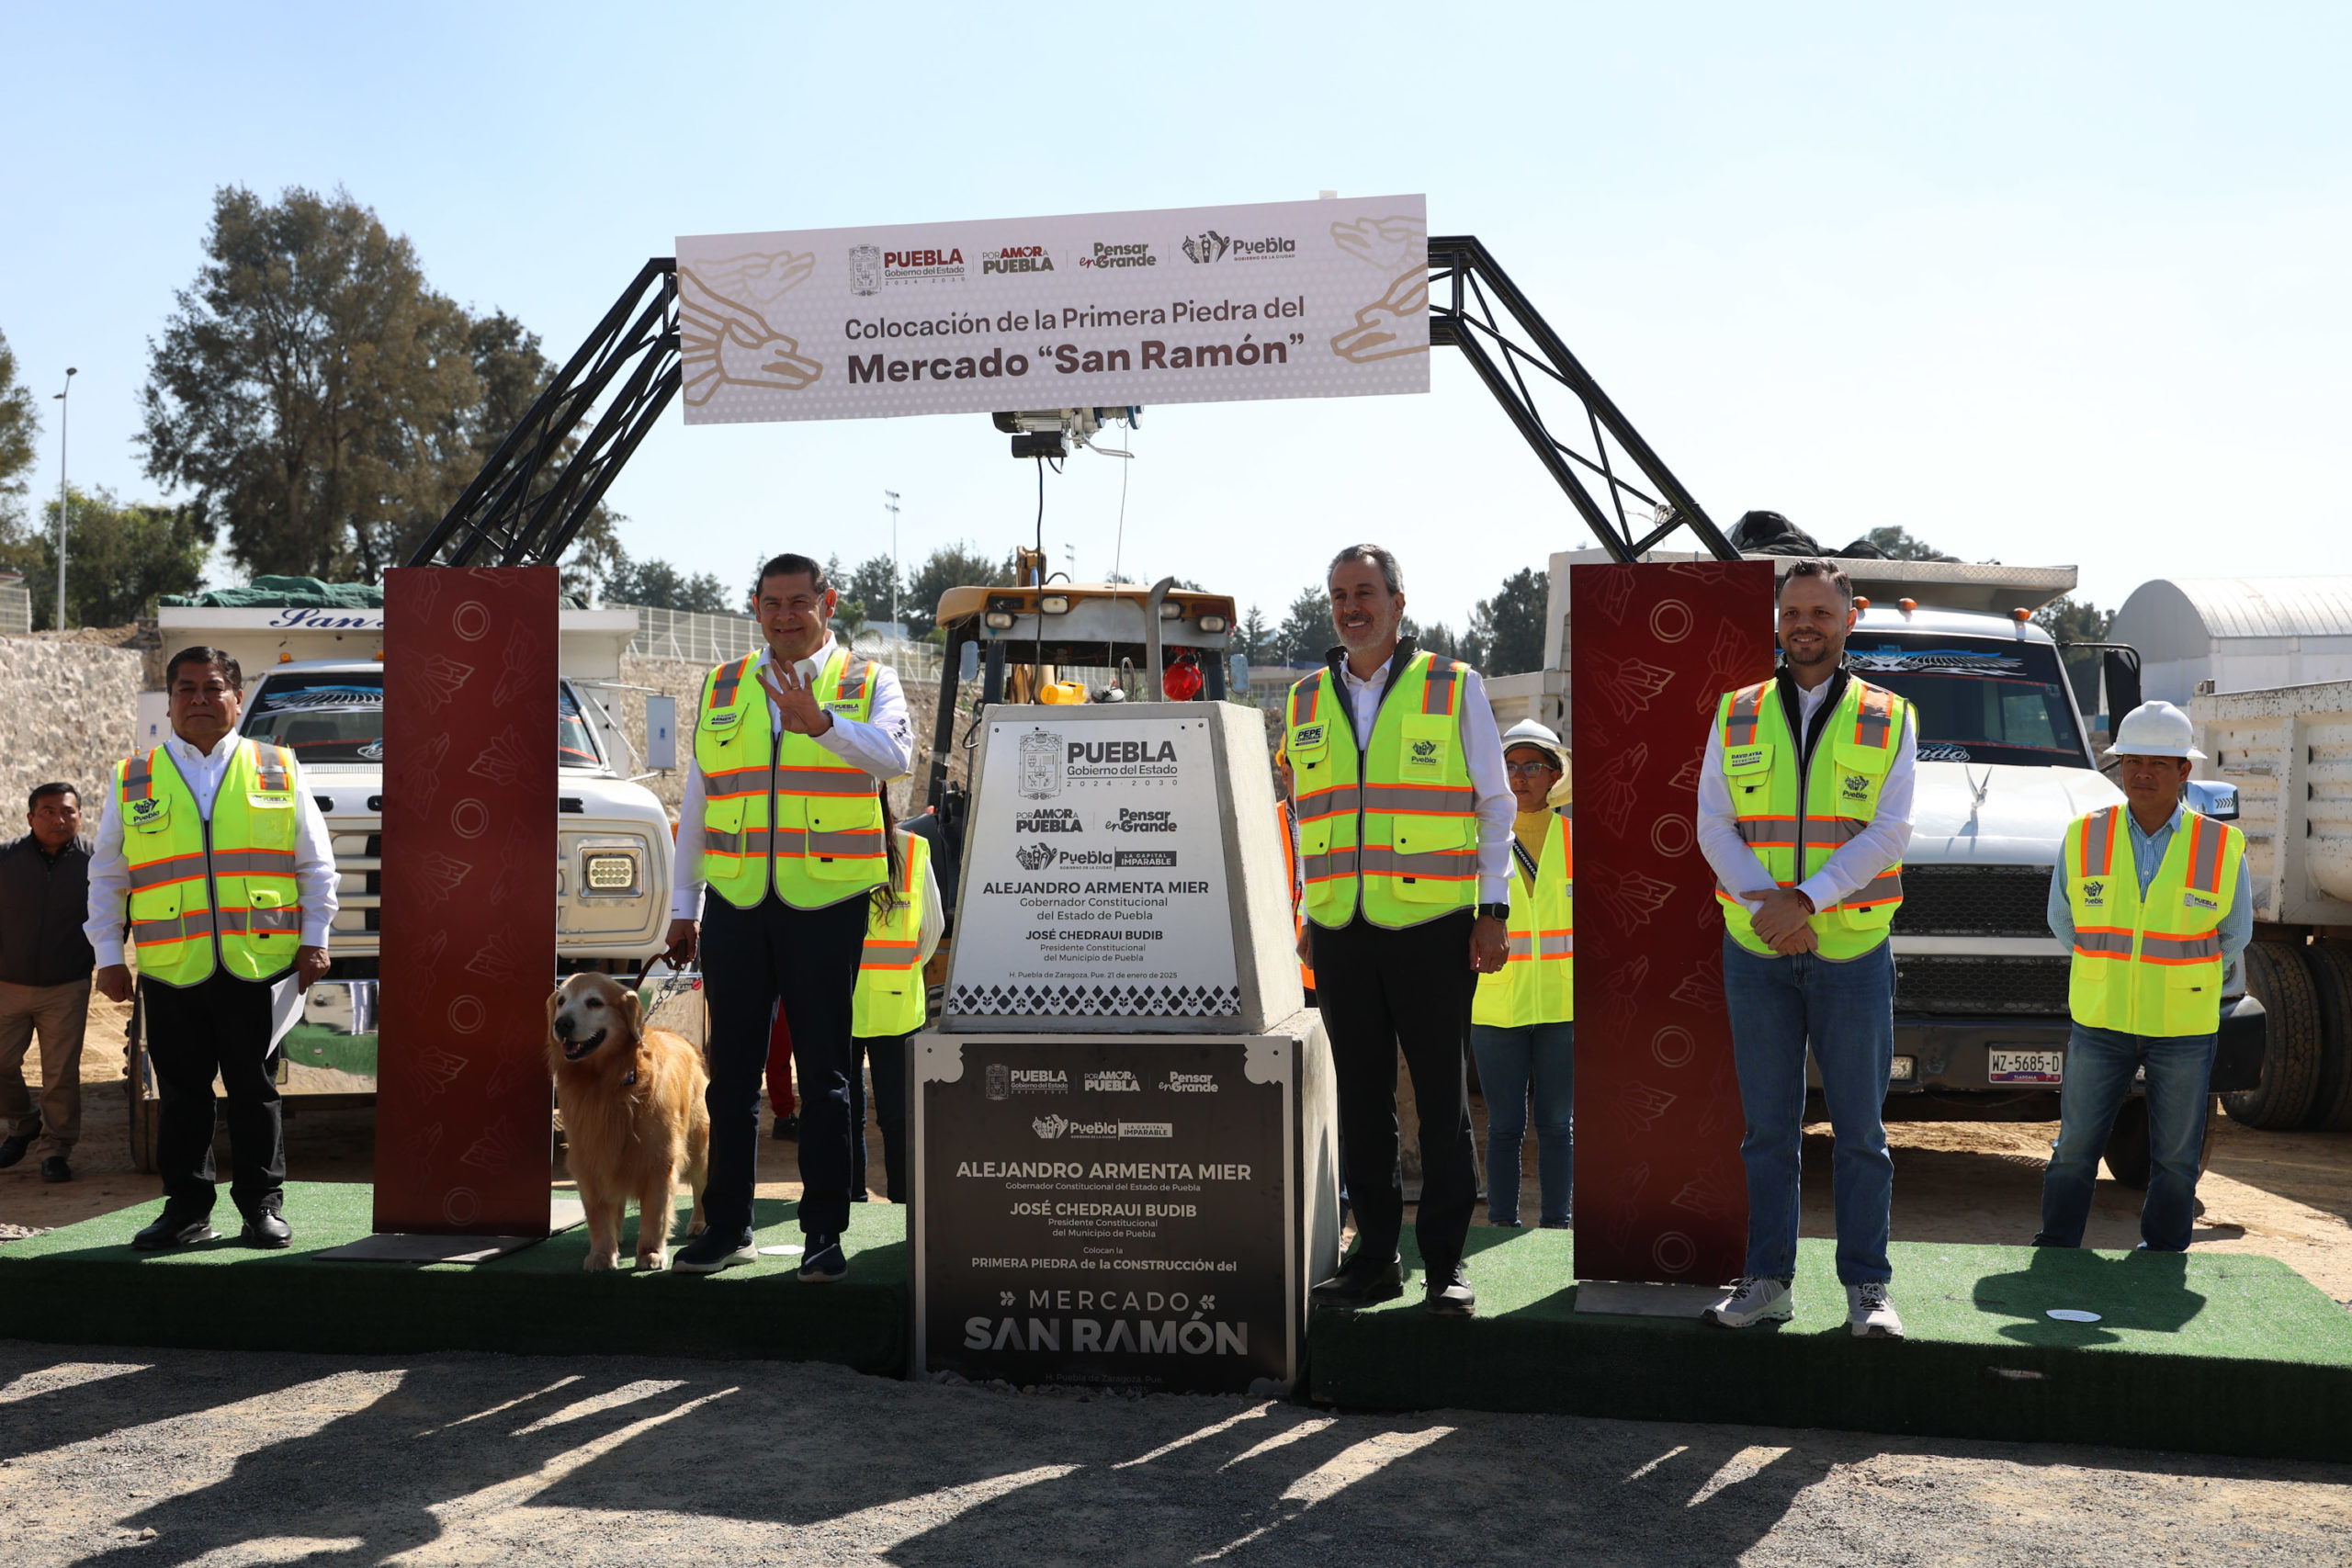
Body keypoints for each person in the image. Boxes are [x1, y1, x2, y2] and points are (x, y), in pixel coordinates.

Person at [663, 555, 914, 1278]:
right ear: (755, 606)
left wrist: (823, 722)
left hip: (825, 901)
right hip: (738, 902)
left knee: (828, 1075)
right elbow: (699, 799)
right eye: (770, 602)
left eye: (798, 601)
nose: (784, 615)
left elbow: (895, 756)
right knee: (732, 1076)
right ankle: (729, 1224)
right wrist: (685, 906)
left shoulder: (868, 682)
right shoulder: (724, 684)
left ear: (826, 602)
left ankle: (823, 1233)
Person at [1286, 544, 1514, 1316]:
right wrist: (1311, 916)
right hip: (1341, 930)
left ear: (1398, 601)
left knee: (1444, 1098)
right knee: (1362, 1098)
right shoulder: (1306, 698)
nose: (1353, 607)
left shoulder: (1455, 686)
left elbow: (1496, 804)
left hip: (1432, 928)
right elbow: (1306, 819)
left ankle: (1448, 1264)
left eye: (1366, 592)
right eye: (1340, 595)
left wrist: (1492, 910)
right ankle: (1375, 1255)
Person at [1695, 560, 1917, 1338]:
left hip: (1850, 949)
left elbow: (1891, 831)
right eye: (1793, 610)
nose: (1806, 624)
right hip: (1757, 950)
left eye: (1821, 610)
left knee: (1860, 1133)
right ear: (1777, 619)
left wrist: (1806, 901)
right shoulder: (1738, 711)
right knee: (1767, 1130)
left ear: (1849, 617)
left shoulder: (1890, 715)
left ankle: (1867, 1288)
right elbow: (1713, 824)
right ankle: (1767, 1281)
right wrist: (1771, 908)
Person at [87, 648, 337, 1249]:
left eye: (214, 686)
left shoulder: (278, 768)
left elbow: (315, 864)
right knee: (180, 1095)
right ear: (169, 700)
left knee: (254, 1090)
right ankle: (188, 1209)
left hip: (258, 962)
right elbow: (107, 875)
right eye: (186, 688)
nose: (199, 698)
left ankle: (262, 1206)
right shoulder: (134, 777)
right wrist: (107, 955)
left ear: (236, 696)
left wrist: (315, 940)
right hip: (172, 966)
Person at [2036, 700, 2251, 1252]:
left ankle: (2162, 1254)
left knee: (2177, 1160)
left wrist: (2182, 979)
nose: (2144, 773)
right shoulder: (2084, 834)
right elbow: (2064, 919)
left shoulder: (2221, 845)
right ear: (2120, 766)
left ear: (2185, 771)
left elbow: (2236, 933)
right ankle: (2057, 1247)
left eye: (2160, 762)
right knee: (2075, 1148)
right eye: (2133, 761)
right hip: (2101, 1018)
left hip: (2182, 1026)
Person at [1471, 720, 1574, 1230]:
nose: (1520, 777)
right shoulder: (1479, 840)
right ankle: (1502, 1223)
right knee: (1506, 1126)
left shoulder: (1582, 839)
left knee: (1558, 1125)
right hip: (1495, 1004)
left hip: (1563, 1007)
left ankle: (1559, 1226)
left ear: (1556, 774)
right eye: (1510, 767)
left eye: (1532, 766)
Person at [845, 803, 944, 1203]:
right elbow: (932, 928)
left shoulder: (826, 843)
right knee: (899, 1116)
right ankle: (904, 1203)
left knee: (844, 1112)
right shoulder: (915, 848)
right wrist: (903, 967)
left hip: (840, 1001)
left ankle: (849, 1200)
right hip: (898, 1004)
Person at [0, 783, 96, 1183]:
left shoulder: (98, 860)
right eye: (48, 811)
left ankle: (56, 1148)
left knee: (60, 1074)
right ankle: (24, 1123)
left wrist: (101, 958)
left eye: (68, 812)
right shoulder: (6, 858)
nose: (59, 819)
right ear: (30, 817)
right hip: (7, 984)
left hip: (66, 986)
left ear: (79, 815)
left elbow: (118, 912)